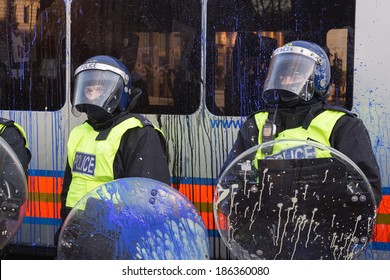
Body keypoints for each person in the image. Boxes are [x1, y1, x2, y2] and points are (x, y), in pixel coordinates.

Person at [219, 41, 382, 259]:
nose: (286, 80)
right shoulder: (257, 124)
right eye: (281, 74)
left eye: (295, 74)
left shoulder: (342, 125)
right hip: (265, 244)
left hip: (325, 244)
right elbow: (231, 184)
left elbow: (366, 190)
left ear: (319, 78)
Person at [56, 55, 170, 243]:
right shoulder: (80, 133)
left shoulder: (139, 134)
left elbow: (148, 204)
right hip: (77, 233)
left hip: (116, 238)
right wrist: (65, 229)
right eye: (88, 90)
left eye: (100, 90)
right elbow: (69, 188)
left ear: (119, 93)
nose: (93, 96)